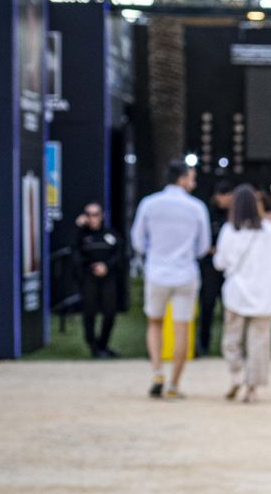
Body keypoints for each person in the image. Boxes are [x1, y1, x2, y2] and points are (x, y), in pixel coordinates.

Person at [130, 159, 210, 399]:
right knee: (182, 327)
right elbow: (203, 246)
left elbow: (138, 241)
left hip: (157, 272)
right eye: (191, 178)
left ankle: (157, 373)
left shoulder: (149, 204)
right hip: (186, 273)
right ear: (182, 179)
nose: (193, 183)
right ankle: (174, 384)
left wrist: (155, 254)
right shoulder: (196, 207)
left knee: (154, 323)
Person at [213, 184, 271, 404]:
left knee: (232, 339)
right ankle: (252, 388)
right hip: (264, 294)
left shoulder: (229, 230)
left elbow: (219, 262)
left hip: (236, 294)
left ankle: (236, 374)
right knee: (259, 344)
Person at [75, 202, 125, 358]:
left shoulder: (110, 234)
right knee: (89, 312)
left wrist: (106, 266)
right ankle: (93, 346)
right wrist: (79, 228)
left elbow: (119, 253)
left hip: (108, 277)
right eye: (89, 215)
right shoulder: (82, 236)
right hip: (89, 278)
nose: (93, 218)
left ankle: (103, 344)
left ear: (101, 216)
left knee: (110, 311)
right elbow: (75, 252)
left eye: (96, 214)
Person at [197, 178, 234, 356]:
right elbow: (202, 243)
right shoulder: (207, 213)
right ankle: (203, 344)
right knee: (207, 305)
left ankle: (231, 345)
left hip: (229, 267)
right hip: (210, 267)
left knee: (230, 307)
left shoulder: (234, 214)